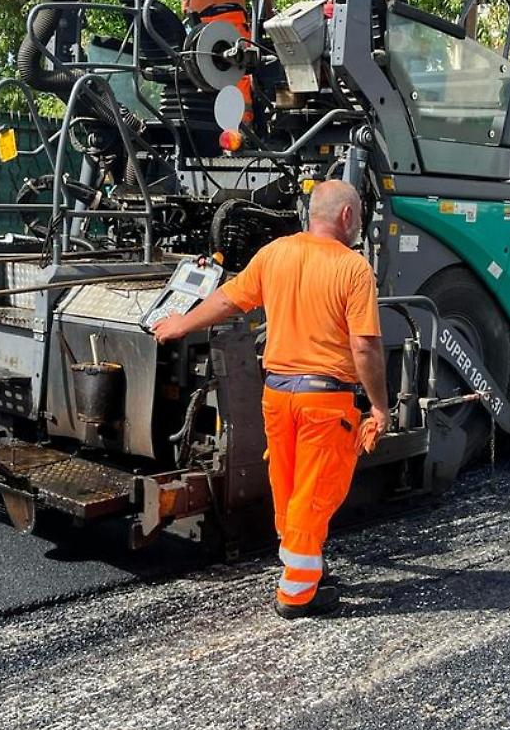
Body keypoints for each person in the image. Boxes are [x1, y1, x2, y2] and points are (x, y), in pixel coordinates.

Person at [152, 180, 389, 619]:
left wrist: (181, 324)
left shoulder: (275, 253)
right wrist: (379, 405)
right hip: (325, 402)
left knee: (289, 489)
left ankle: (307, 566)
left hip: (277, 397)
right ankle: (298, 594)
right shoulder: (353, 269)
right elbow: (364, 348)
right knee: (313, 496)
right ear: (346, 217)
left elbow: (226, 299)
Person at [182, 0, 274, 121]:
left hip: (202, 29)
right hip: (232, 20)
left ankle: (214, 120)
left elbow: (185, 2)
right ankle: (243, 126)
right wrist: (270, 11)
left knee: (206, 71)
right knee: (238, 70)